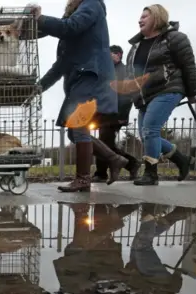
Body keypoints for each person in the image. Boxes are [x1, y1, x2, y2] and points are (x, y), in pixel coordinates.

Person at [30, 0, 128, 193]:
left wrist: (40, 19)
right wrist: (37, 88)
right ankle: (114, 159)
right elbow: (61, 65)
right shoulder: (75, 28)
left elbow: (70, 27)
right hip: (85, 76)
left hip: (92, 74)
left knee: (78, 123)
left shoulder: (91, 4)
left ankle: (84, 178)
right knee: (72, 131)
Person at [124, 4, 196, 186]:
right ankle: (181, 159)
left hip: (169, 88)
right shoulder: (135, 46)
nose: (140, 20)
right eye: (140, 17)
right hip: (144, 95)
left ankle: (151, 173)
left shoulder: (175, 39)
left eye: (145, 17)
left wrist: (192, 92)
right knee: (147, 134)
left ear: (157, 18)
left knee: (150, 129)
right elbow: (129, 73)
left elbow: (188, 66)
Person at [92, 46, 141, 182]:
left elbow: (127, 96)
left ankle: (102, 173)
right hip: (104, 114)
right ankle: (131, 164)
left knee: (103, 143)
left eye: (110, 54)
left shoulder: (124, 71)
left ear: (118, 55)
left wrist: (122, 116)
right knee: (104, 144)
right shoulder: (106, 71)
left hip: (116, 114)